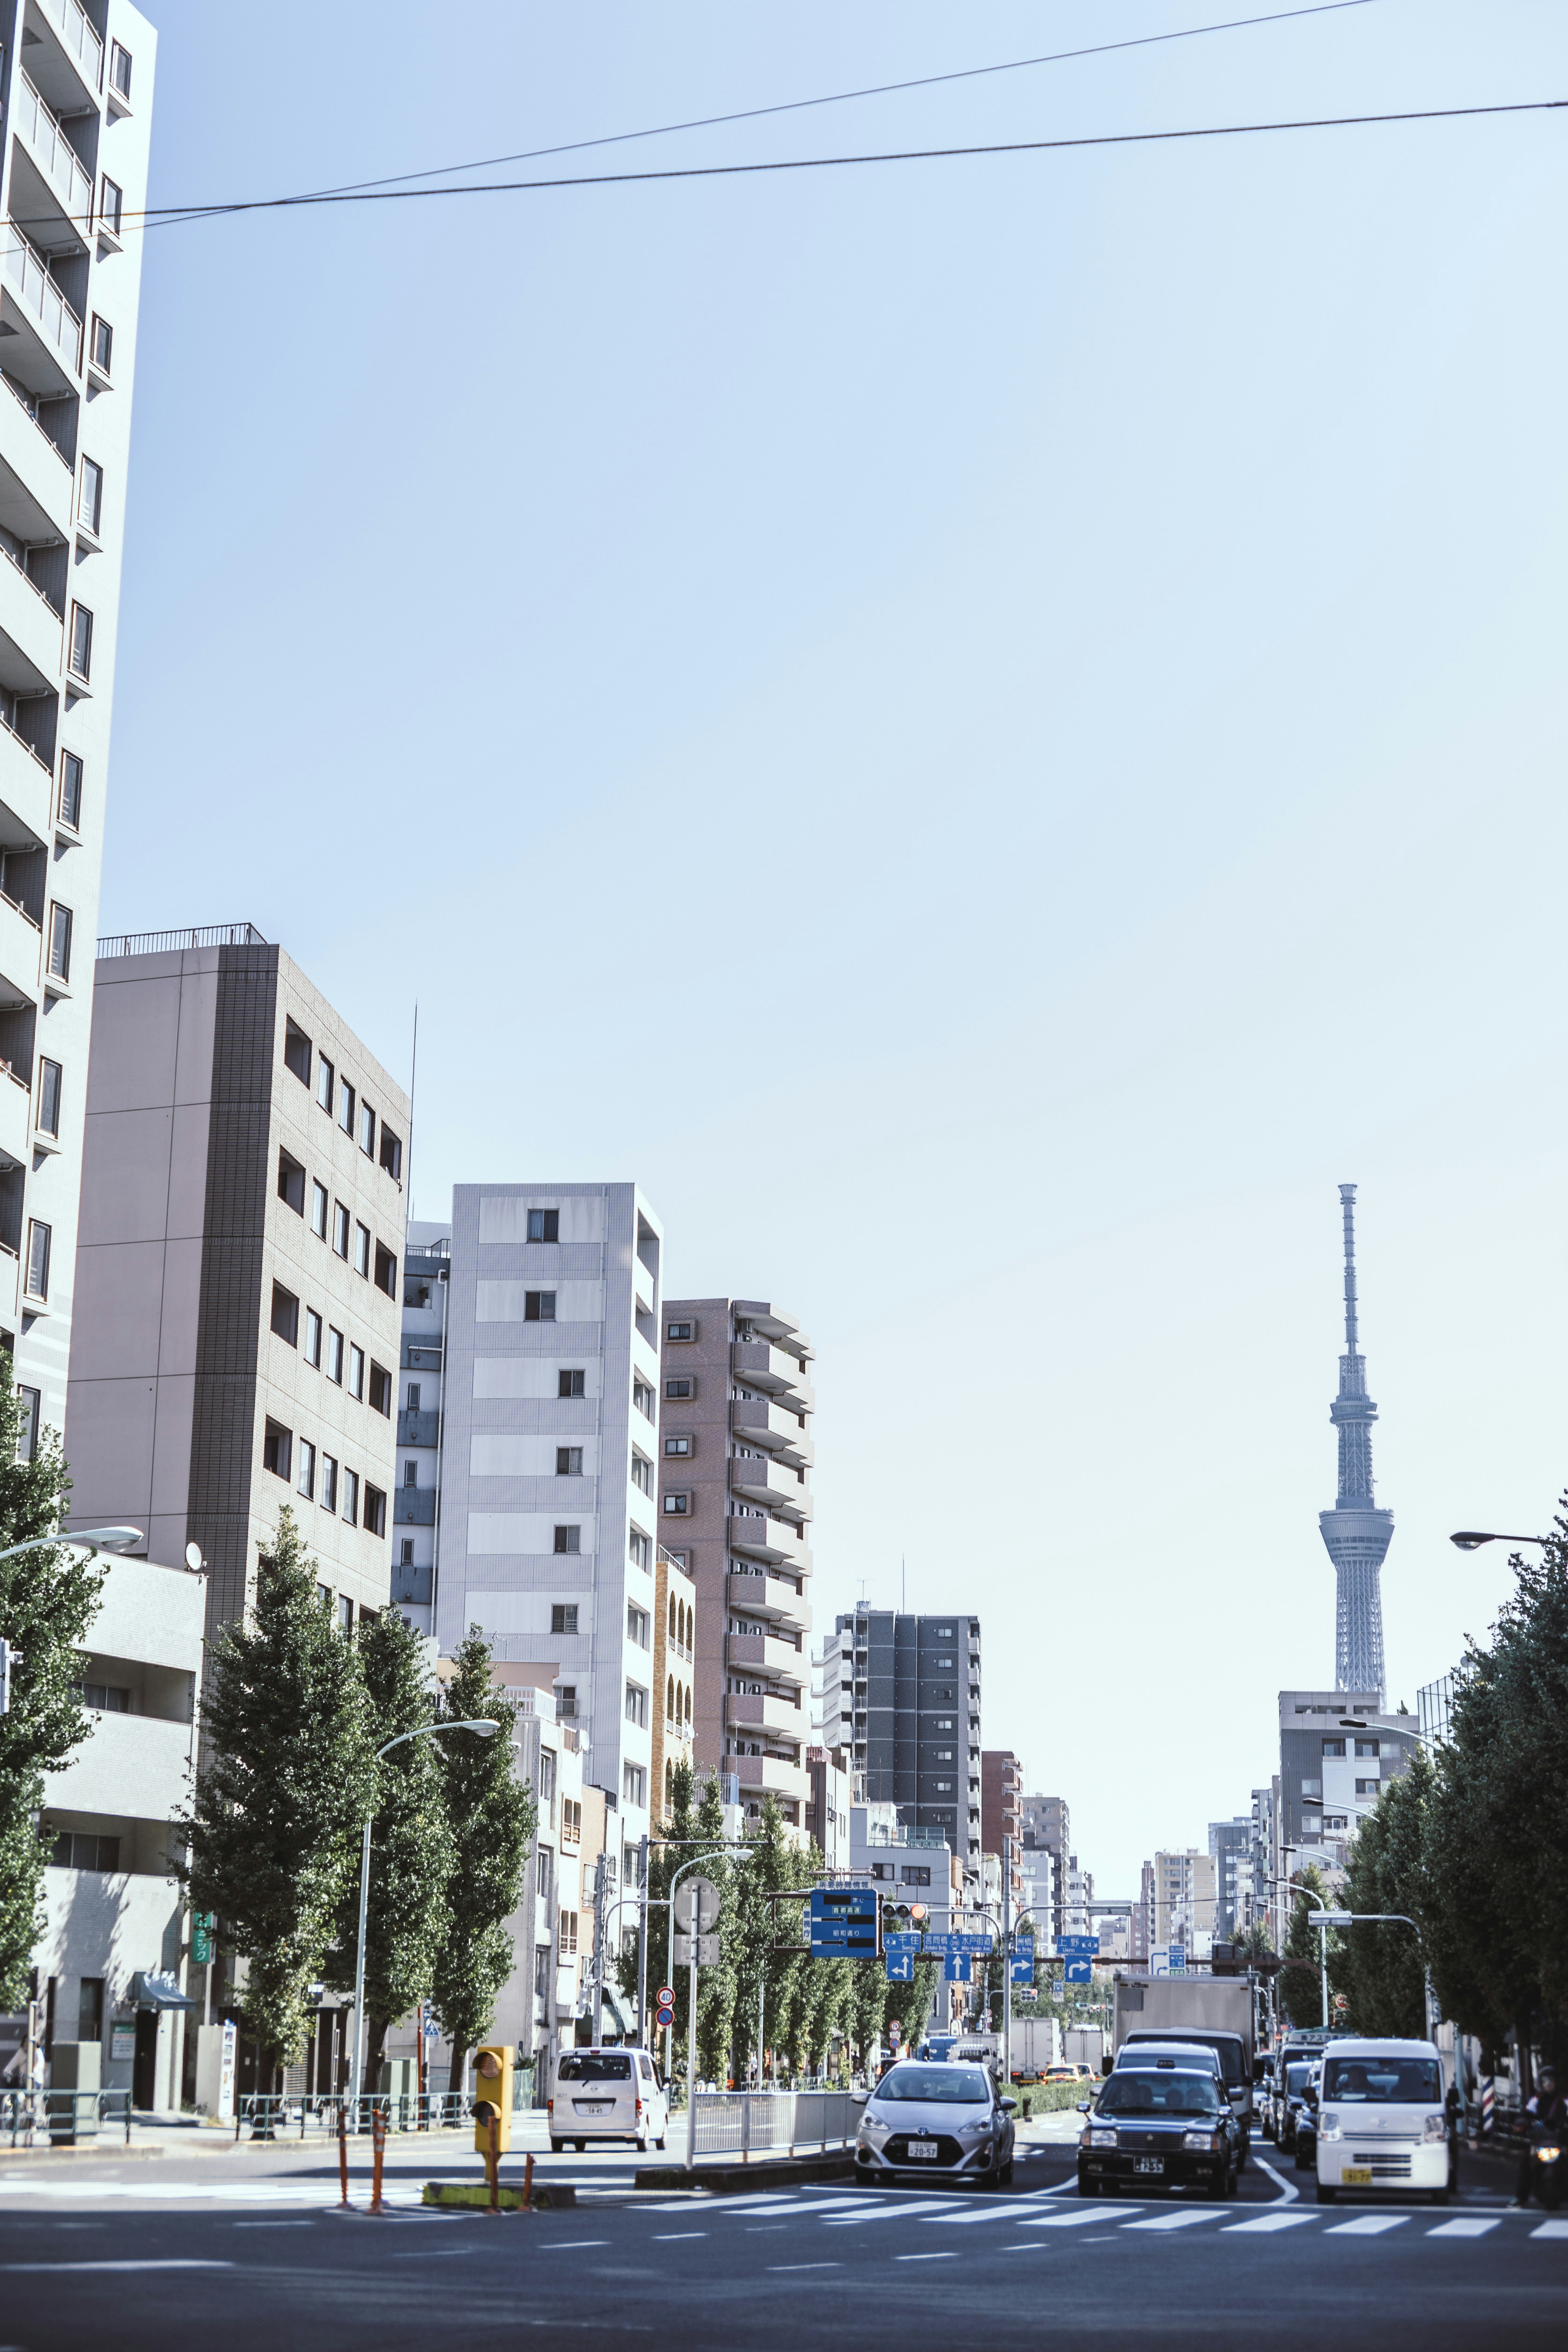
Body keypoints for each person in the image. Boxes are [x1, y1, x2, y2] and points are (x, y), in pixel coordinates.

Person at [1510, 2063, 1568, 2208]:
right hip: (1540, 2141)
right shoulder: (1537, 2099)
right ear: (1541, 2083)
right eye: (1545, 2081)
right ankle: (1520, 2198)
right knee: (1526, 2162)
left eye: (1551, 2080)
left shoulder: (1565, 2099)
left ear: (1557, 2082)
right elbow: (1526, 2113)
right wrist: (1521, 2121)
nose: (1548, 2084)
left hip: (1561, 2141)